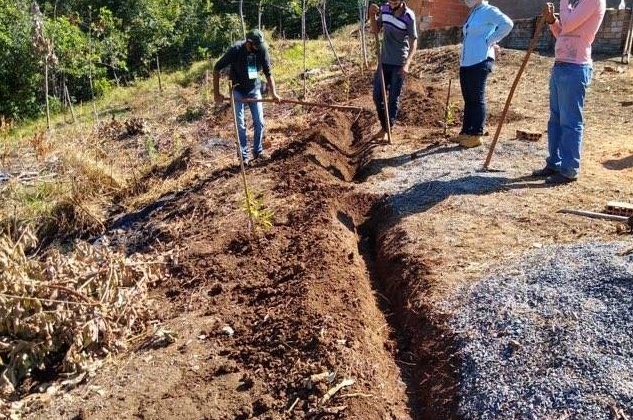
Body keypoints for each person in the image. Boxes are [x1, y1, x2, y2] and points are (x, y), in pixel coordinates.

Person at [532, 0, 606, 184]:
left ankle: (569, 169)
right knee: (555, 119)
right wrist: (551, 21)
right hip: (561, 65)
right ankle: (554, 163)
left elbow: (569, 24)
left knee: (570, 121)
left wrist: (563, 3)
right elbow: (562, 33)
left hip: (575, 67)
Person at [213, 29, 280, 165]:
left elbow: (268, 73)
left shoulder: (261, 50)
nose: (258, 49)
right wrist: (216, 93)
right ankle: (243, 157)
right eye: (256, 46)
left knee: (259, 121)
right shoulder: (236, 50)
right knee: (240, 124)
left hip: (254, 89)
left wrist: (274, 93)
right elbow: (216, 68)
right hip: (237, 89)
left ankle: (258, 151)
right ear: (248, 43)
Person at [452, 0, 513, 148]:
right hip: (467, 61)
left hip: (481, 59)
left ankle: (476, 135)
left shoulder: (489, 10)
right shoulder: (473, 12)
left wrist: (490, 40)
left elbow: (507, 24)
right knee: (468, 98)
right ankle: (466, 132)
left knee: (477, 98)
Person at [369, 0, 418, 142]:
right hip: (384, 61)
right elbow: (375, 29)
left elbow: (414, 41)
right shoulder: (384, 9)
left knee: (393, 99)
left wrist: (407, 64)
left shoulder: (409, 16)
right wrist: (372, 15)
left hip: (399, 63)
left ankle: (387, 129)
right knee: (378, 96)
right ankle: (384, 127)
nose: (392, 2)